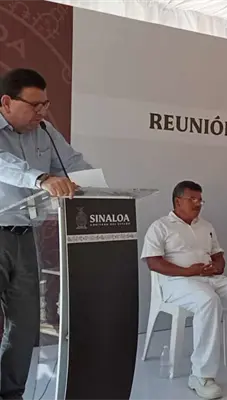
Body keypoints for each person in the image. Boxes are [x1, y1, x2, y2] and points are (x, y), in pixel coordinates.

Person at [0, 68, 92, 400]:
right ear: (6, 102)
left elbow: (72, 163)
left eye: (45, 105)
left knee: (24, 326)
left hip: (27, 236)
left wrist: (97, 187)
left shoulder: (45, 132)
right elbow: (3, 164)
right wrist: (41, 179)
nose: (42, 112)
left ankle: (10, 394)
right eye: (34, 105)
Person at [141, 181, 227, 399]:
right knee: (208, 300)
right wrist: (187, 271)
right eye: (192, 199)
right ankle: (201, 375)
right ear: (178, 201)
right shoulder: (160, 226)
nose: (198, 204)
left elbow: (218, 255)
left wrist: (217, 267)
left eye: (200, 200)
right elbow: (153, 262)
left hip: (209, 278)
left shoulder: (206, 226)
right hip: (176, 282)